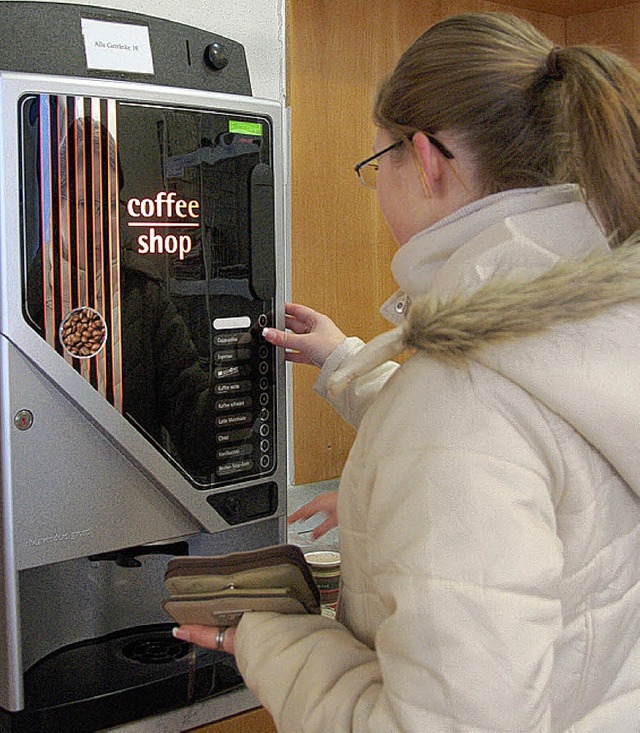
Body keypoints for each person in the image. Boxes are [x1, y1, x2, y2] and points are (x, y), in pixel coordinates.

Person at [172, 12, 640, 731]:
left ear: (423, 159)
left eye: (375, 164)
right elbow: (517, 421)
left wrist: (267, 635)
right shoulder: (597, 316)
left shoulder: (462, 403)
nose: (379, 186)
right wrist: (346, 364)